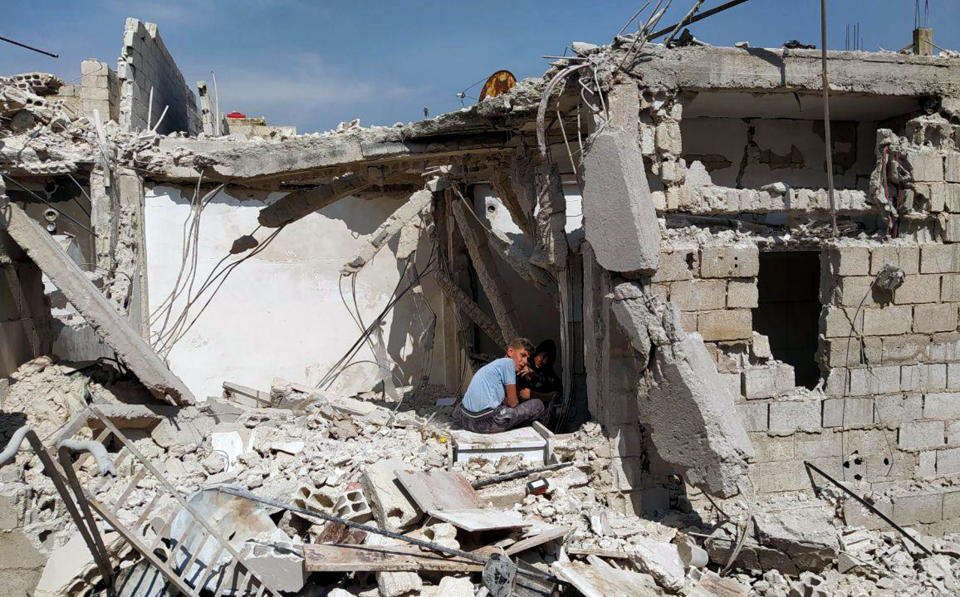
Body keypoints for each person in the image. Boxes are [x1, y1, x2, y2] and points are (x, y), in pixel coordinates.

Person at [453, 337, 546, 434]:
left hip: (466, 420)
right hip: (486, 422)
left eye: (527, 358)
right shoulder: (508, 363)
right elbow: (513, 403)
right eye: (522, 355)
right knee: (538, 404)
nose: (525, 361)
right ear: (510, 352)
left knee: (504, 402)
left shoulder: (495, 365)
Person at [519, 339, 562, 404]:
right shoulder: (525, 360)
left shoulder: (547, 370)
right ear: (539, 351)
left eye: (548, 358)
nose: (544, 361)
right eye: (543, 355)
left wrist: (536, 375)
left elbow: (558, 389)